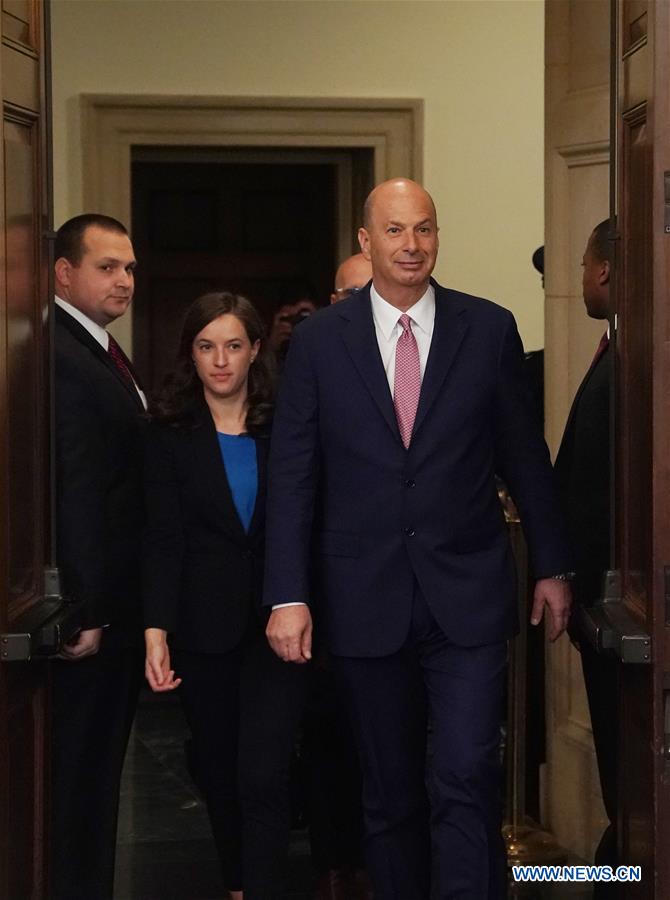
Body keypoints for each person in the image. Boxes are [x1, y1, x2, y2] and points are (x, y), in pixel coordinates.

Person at [263, 178, 573, 899]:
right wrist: (286, 594)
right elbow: (293, 474)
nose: (412, 245)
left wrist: (553, 565)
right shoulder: (320, 342)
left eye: (424, 229)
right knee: (390, 790)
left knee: (466, 773)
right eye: (396, 230)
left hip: (467, 595)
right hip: (362, 597)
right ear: (366, 241)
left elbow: (524, 456)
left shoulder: (487, 329)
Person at [143, 292, 307, 900]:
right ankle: (238, 884)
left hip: (276, 623)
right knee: (218, 769)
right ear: (190, 353)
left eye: (233, 346)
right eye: (207, 346)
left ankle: (261, 888)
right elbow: (162, 537)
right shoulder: (168, 434)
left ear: (255, 350)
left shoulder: (286, 425)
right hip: (202, 627)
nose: (220, 361)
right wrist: (156, 629)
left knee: (264, 773)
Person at [51, 214, 146, 899]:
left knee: (98, 771)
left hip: (115, 602)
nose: (124, 280)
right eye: (107, 267)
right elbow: (77, 488)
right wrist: (86, 608)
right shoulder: (62, 354)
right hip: (95, 613)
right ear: (64, 273)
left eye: (130, 268)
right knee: (79, 775)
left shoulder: (99, 349)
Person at [554, 220, 615, 894]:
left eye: (580, 263)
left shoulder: (635, 359)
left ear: (602, 270)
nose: (579, 278)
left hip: (618, 605)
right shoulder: (618, 348)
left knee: (628, 779)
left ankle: (624, 871)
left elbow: (600, 494)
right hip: (604, 606)